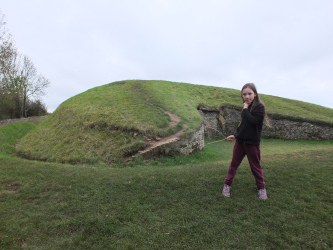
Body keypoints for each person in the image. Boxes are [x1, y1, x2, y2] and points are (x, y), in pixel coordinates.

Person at [222, 83, 270, 199]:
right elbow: (244, 125)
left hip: (252, 144)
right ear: (242, 95)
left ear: (255, 94)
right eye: (244, 94)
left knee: (255, 167)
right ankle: (227, 185)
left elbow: (253, 121)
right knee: (233, 165)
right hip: (240, 142)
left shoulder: (259, 107)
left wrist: (245, 109)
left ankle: (261, 188)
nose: (247, 96)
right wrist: (235, 135)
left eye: (249, 93)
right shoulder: (246, 107)